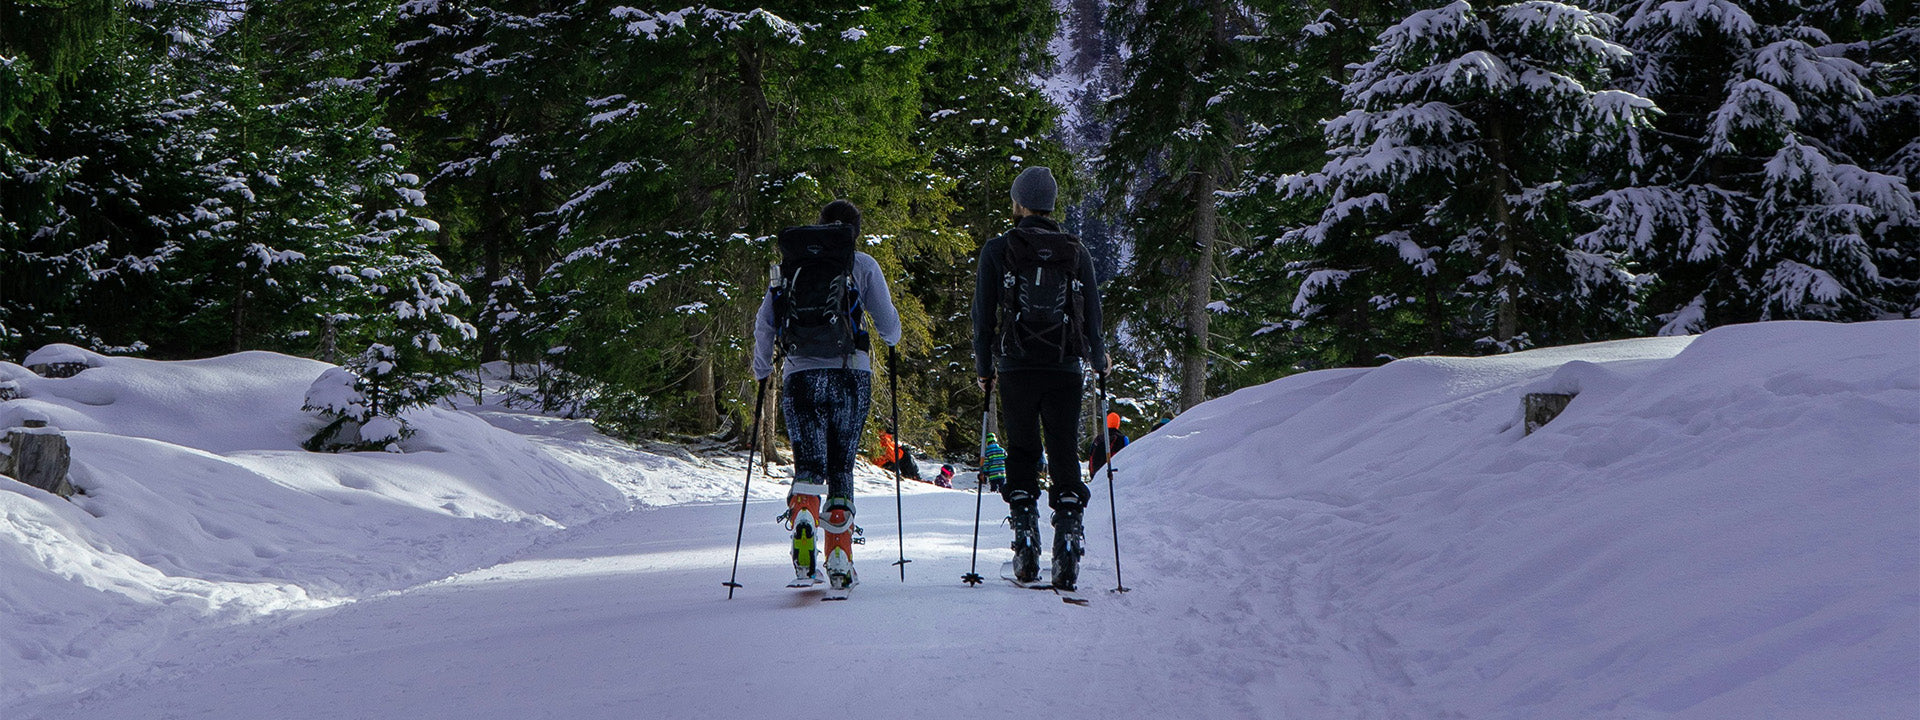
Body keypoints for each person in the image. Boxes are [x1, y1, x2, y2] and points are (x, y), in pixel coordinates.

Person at [754, 199, 901, 592]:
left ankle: (804, 516)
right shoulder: (862, 264)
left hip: (800, 373)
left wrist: (762, 370)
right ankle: (840, 558)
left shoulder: (791, 265)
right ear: (855, 232)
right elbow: (889, 326)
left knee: (808, 463)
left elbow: (765, 323)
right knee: (841, 466)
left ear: (819, 226)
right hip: (851, 374)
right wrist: (890, 337)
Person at [972, 165, 1107, 591]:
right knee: (1064, 451)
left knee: (1023, 450)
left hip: (1016, 366)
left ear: (1019, 202)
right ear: (1050, 205)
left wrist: (984, 367)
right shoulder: (1075, 250)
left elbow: (983, 317)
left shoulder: (998, 249)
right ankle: (1067, 541)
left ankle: (1025, 541)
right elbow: (1093, 314)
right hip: (1065, 366)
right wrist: (1098, 358)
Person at [1088, 412, 1129, 476]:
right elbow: (1127, 457)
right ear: (1118, 424)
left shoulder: (1098, 439)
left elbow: (1091, 456)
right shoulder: (1123, 439)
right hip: (1114, 474)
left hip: (1097, 474)